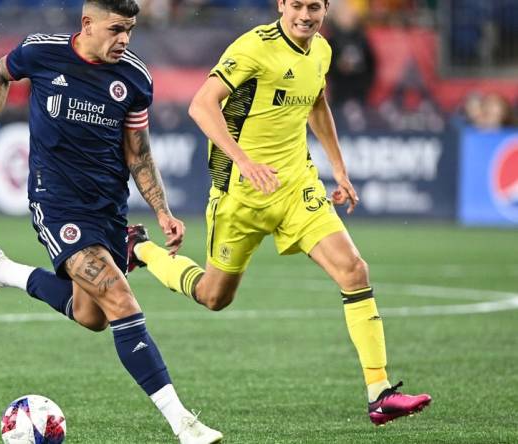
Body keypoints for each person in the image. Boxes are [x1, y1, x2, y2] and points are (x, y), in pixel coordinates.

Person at [127, 0, 432, 426]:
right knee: (215, 297)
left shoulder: (321, 50)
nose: (304, 15)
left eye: (314, 7)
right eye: (296, 6)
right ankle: (141, 250)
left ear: (325, 9)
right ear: (281, 5)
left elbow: (317, 104)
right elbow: (201, 105)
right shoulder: (254, 47)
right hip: (241, 195)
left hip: (297, 187)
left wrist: (339, 170)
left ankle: (379, 393)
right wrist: (244, 161)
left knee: (354, 270)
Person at [0, 1, 222, 443]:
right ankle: (184, 423)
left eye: (131, 31)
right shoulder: (42, 52)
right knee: (120, 298)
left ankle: (0, 270)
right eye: (116, 29)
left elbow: (137, 152)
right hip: (57, 204)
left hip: (108, 211)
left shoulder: (135, 78)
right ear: (87, 24)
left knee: (92, 316)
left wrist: (161, 210)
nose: (124, 39)